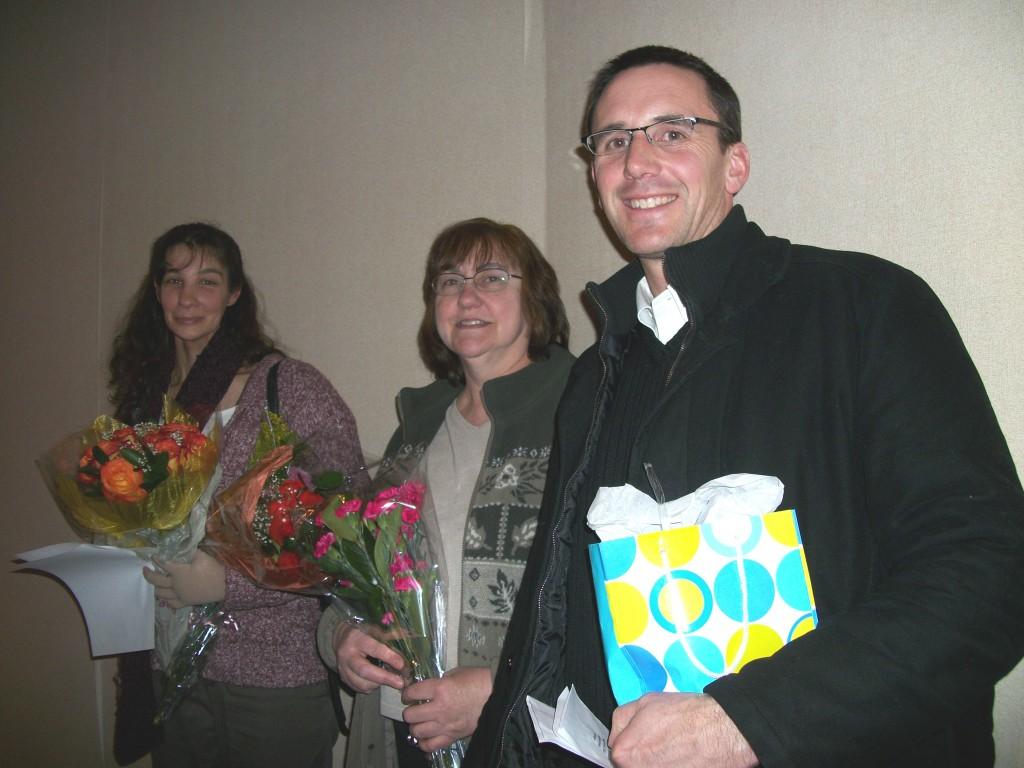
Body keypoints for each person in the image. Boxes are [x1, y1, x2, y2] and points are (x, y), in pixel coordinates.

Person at [469, 46, 1024, 768]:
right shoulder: (592, 375)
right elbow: (552, 615)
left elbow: (988, 572)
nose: (636, 161)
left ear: (735, 166)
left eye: (672, 131)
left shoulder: (865, 307)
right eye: (613, 140)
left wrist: (751, 718)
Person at [317, 217, 574, 766]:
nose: (467, 295)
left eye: (493, 276)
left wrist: (502, 688)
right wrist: (342, 634)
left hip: (520, 733)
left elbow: (600, 592)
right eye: (449, 281)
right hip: (401, 724)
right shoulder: (416, 427)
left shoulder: (578, 413)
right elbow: (355, 569)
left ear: (537, 299)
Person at [108, 222, 363, 768]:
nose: (187, 297)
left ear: (234, 292)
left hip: (271, 678)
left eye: (207, 280)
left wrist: (229, 580)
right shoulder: (143, 406)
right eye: (174, 280)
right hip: (170, 669)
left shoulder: (286, 387)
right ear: (156, 292)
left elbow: (347, 524)